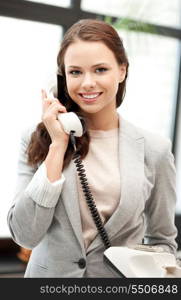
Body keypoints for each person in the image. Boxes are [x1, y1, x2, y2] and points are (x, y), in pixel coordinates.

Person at [7, 19, 178, 278]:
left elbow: (163, 242)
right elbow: (25, 235)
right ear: (64, 77)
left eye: (100, 69)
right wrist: (57, 147)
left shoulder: (155, 150)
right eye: (76, 72)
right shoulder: (36, 138)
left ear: (122, 71)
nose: (87, 83)